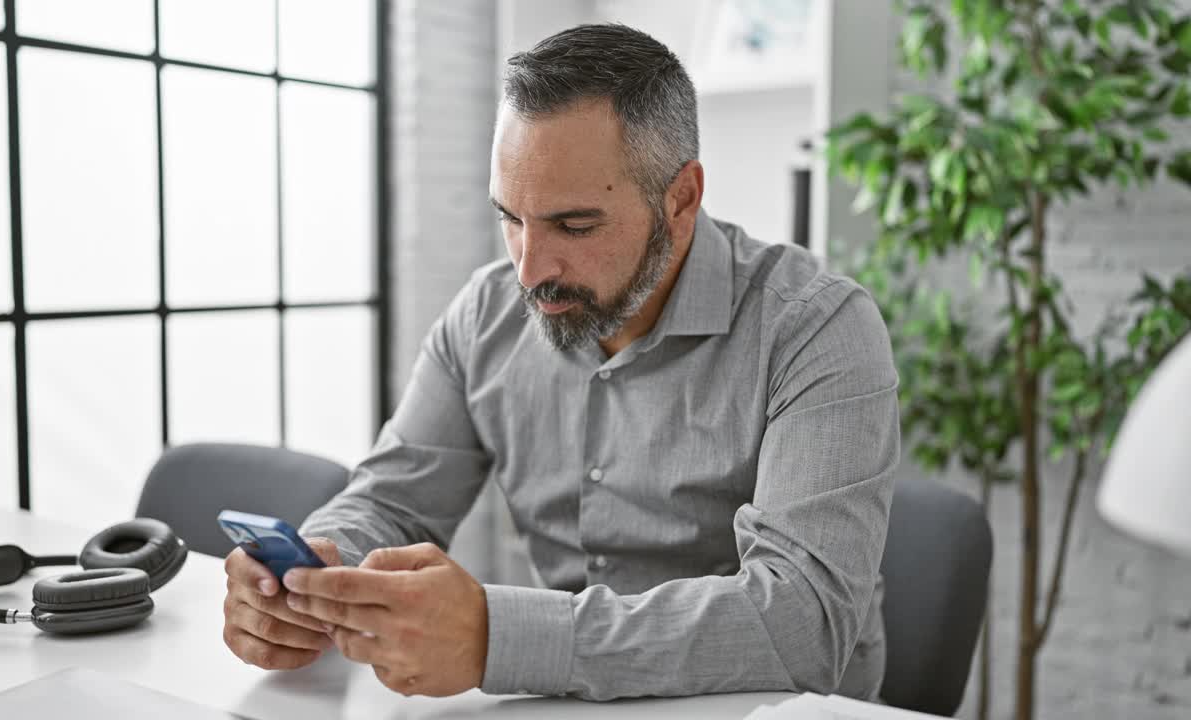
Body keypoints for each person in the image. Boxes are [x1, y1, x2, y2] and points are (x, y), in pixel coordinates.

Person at [221, 23, 899, 703]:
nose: (530, 268)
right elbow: (392, 499)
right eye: (511, 218)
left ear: (682, 201)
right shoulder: (486, 313)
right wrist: (310, 573)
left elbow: (803, 626)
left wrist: (500, 638)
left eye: (574, 226)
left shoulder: (816, 327)